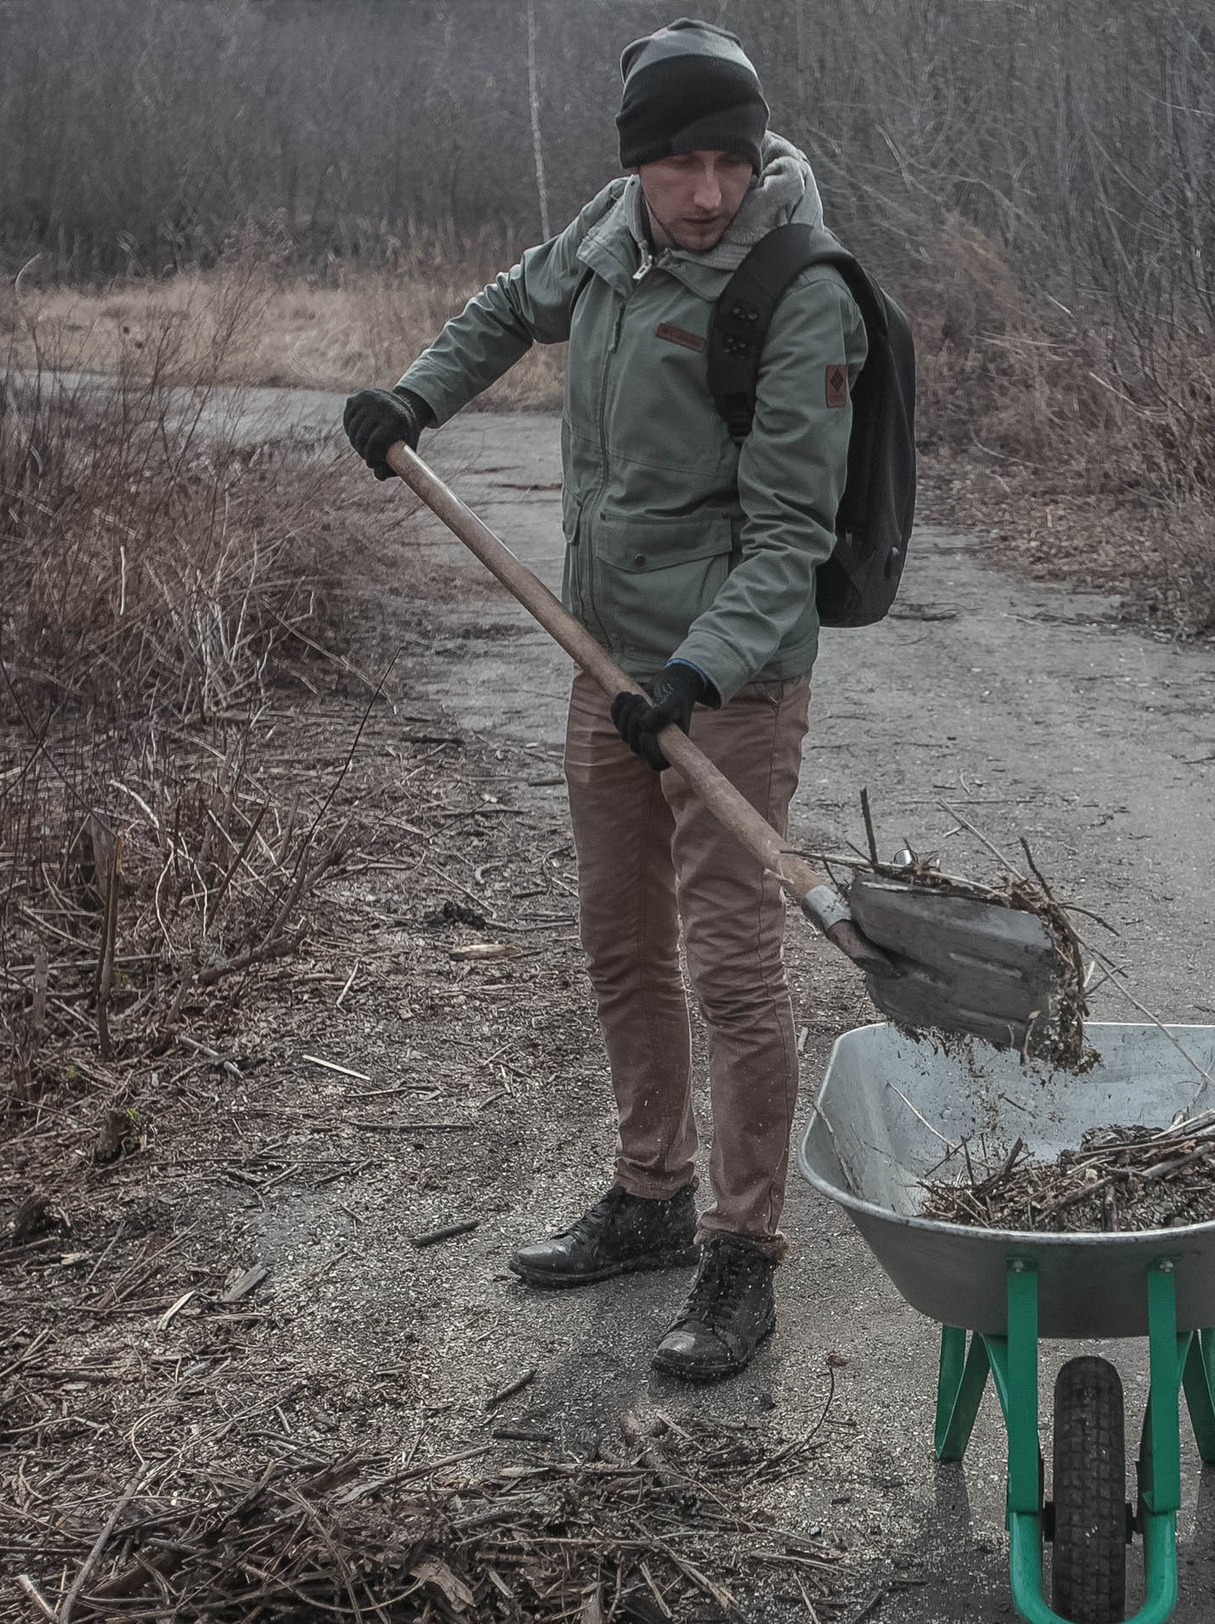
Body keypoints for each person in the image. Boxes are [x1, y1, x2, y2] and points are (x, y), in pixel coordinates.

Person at [341, 18, 864, 1383]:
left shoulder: (799, 288)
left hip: (728, 683)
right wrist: (415, 399)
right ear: (637, 165)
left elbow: (790, 538)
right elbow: (507, 308)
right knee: (622, 943)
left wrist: (697, 672)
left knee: (731, 965)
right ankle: (649, 1195)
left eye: (729, 163)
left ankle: (741, 1252)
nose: (708, 193)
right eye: (681, 166)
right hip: (605, 660)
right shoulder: (612, 233)